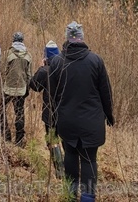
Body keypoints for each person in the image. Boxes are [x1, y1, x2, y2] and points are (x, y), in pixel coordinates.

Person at [49, 21, 114, 202]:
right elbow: (106, 92)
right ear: (82, 38)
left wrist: (53, 120)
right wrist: (109, 115)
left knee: (70, 154)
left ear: (67, 38)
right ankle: (87, 198)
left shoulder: (56, 62)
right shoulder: (96, 61)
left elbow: (52, 96)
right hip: (92, 122)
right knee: (89, 159)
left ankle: (70, 196)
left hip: (67, 120)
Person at [30, 40, 64, 178]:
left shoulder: (45, 71)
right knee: (66, 140)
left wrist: (40, 68)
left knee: (52, 139)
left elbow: (34, 86)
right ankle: (69, 168)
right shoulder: (66, 67)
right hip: (66, 110)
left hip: (50, 111)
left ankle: (59, 169)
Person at [1, 32, 32, 147]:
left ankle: (6, 135)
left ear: (13, 40)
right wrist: (27, 89)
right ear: (22, 41)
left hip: (7, 88)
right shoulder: (28, 55)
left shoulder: (7, 54)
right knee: (19, 112)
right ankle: (19, 140)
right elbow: (29, 75)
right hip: (21, 89)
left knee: (0, 109)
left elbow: (3, 72)